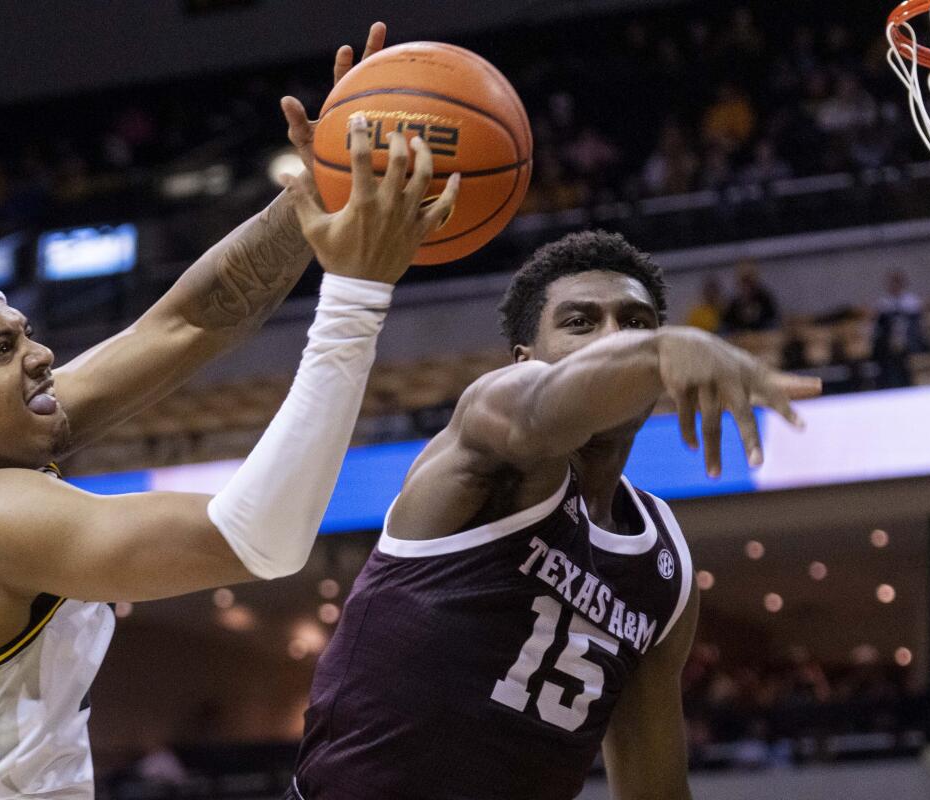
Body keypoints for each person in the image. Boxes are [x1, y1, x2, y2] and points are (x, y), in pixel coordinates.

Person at [0, 23, 461, 798]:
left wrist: (321, 183)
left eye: (25, 334)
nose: (39, 357)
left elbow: (191, 321)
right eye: (0, 352)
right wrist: (358, 293)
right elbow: (257, 539)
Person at [290, 230, 820, 800]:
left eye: (637, 323)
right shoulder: (491, 423)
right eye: (580, 323)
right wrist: (662, 346)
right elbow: (538, 411)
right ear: (525, 361)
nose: (613, 340)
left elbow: (654, 789)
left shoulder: (664, 564)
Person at [872, 270, 927, 389]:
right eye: (892, 284)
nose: (894, 287)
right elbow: (879, 327)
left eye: (897, 283)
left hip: (909, 342)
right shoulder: (884, 304)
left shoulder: (912, 302)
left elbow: (918, 326)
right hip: (890, 346)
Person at [722, 261, 779, 332]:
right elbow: (726, 325)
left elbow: (773, 321)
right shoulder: (734, 304)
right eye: (744, 281)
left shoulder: (765, 299)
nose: (747, 286)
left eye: (749, 281)